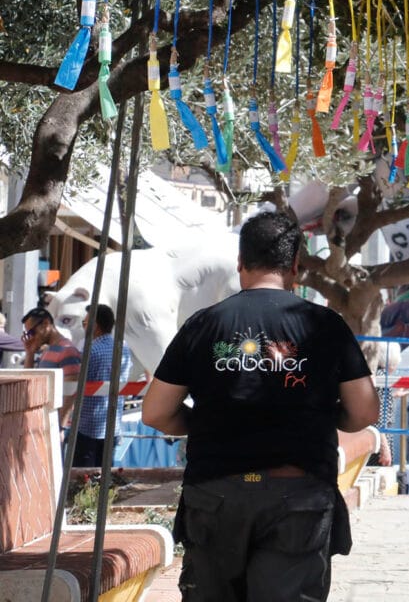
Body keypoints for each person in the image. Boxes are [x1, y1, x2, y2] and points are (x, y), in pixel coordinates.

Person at [142, 211, 379, 602]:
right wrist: (324, 415)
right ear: (296, 267)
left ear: (240, 264)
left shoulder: (202, 325)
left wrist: (200, 421)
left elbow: (155, 413)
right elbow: (365, 413)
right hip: (298, 495)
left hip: (216, 494)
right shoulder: (325, 325)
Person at [74, 304, 133, 467]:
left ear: (95, 325)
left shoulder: (91, 351)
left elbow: (80, 385)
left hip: (89, 424)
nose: (84, 327)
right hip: (113, 423)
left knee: (83, 477)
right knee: (106, 474)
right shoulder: (123, 348)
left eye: (84, 323)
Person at [22, 306, 81, 425]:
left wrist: (60, 427)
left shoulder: (67, 350)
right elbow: (29, 381)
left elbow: (70, 394)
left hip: (55, 423)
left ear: (46, 324)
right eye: (28, 334)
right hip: (44, 420)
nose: (31, 337)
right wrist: (30, 353)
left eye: (32, 332)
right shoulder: (48, 350)